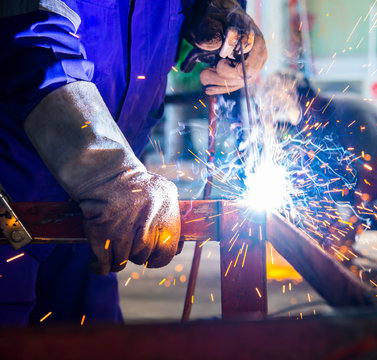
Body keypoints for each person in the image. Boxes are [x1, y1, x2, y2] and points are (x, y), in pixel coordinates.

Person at [0, 0, 266, 325]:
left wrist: (220, 14)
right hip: (13, 197)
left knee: (93, 340)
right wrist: (109, 170)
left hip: (98, 217)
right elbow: (31, 40)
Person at [259, 73, 377, 292]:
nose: (303, 124)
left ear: (310, 102)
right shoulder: (318, 120)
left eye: (303, 118)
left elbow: (375, 177)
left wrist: (349, 225)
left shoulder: (351, 114)